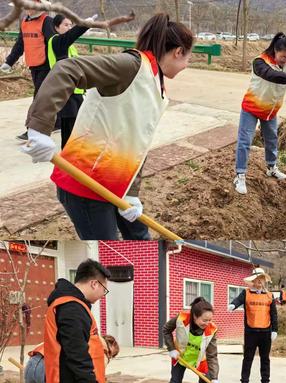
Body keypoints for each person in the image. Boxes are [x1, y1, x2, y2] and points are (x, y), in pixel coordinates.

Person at [21, 13, 194, 240]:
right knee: (106, 245)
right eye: (189, 57)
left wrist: (132, 194)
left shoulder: (156, 84)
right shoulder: (131, 66)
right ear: (178, 52)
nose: (187, 64)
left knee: (141, 239)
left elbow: (137, 143)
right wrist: (39, 127)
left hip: (116, 188)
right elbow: (68, 69)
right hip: (85, 185)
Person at [233, 32, 286, 194]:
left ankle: (271, 167)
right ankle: (240, 175)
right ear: (275, 50)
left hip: (270, 110)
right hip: (251, 108)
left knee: (272, 139)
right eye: (284, 57)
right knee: (245, 141)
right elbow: (271, 75)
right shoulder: (260, 62)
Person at [159, 297, 219, 383]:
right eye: (204, 320)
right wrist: (171, 349)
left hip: (199, 360)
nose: (207, 323)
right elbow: (166, 329)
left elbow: (212, 355)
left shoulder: (211, 329)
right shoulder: (182, 318)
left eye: (210, 320)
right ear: (195, 316)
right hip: (180, 356)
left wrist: (214, 377)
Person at [1, 0, 56, 141]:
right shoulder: (25, 21)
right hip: (33, 64)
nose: (27, 10)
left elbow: (54, 43)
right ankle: (58, 123)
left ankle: (33, 129)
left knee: (39, 98)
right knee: (45, 97)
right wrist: (9, 62)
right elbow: (21, 43)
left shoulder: (47, 21)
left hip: (47, 65)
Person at [47, 14, 94, 148]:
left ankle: (73, 159)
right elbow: (71, 35)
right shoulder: (56, 42)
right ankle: (66, 162)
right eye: (65, 25)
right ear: (56, 27)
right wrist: (85, 24)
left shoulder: (69, 46)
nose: (69, 28)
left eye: (70, 25)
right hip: (66, 91)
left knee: (78, 129)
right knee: (69, 130)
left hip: (76, 92)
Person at [228, 267, 278, 383]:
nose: (260, 282)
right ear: (253, 281)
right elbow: (238, 300)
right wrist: (233, 305)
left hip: (265, 331)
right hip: (251, 331)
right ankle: (244, 381)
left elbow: (274, 314)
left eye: (262, 279)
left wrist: (274, 330)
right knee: (248, 357)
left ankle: (265, 382)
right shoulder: (246, 293)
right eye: (258, 279)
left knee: (265, 358)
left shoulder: (269, 295)